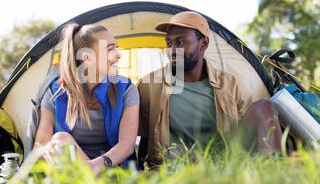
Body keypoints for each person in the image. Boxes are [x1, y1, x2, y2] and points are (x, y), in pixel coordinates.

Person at [137, 11, 282, 168]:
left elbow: (247, 130)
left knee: (263, 107)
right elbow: (144, 137)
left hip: (224, 165)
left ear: (203, 43)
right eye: (169, 43)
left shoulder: (229, 84)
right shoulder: (149, 85)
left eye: (180, 43)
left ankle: (275, 174)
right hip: (173, 167)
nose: (172, 51)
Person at [34, 23, 139, 175]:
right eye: (110, 49)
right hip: (71, 171)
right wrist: (48, 150)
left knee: (62, 140)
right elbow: (41, 144)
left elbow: (127, 144)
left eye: (116, 47)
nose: (118, 54)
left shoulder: (127, 89)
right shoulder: (55, 92)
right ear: (87, 58)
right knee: (61, 140)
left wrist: (93, 166)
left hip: (113, 171)